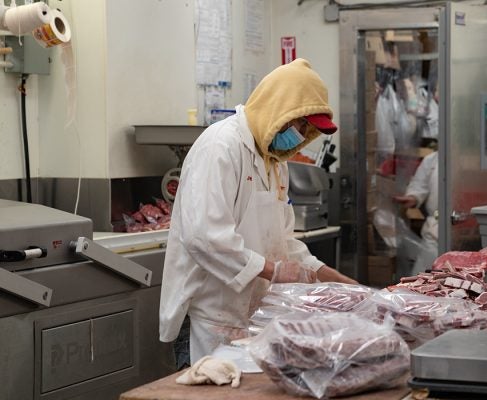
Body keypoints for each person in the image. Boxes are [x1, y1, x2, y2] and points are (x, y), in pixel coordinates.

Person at [159, 58, 356, 365]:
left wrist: (340, 282)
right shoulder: (220, 146)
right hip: (207, 317)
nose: (302, 135)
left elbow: (286, 245)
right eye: (301, 123)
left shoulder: (276, 163)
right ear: (279, 108)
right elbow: (204, 237)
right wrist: (272, 271)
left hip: (252, 317)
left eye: (309, 130)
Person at [394, 150, 438, 276]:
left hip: (467, 229)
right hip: (435, 231)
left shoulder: (477, 155)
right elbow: (419, 186)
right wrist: (413, 197)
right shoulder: (432, 159)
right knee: (423, 282)